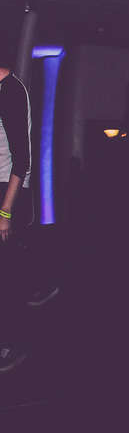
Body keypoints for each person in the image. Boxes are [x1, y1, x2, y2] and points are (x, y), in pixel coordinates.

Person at [0, 57, 35, 372]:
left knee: (5, 277)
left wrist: (5, 212)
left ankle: (10, 346)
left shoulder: (9, 90)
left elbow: (22, 160)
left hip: (6, 192)